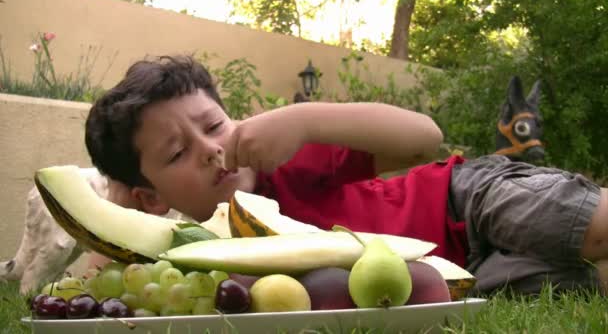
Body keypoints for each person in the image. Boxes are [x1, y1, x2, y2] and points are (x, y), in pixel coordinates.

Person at [84, 55, 608, 295]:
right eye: (177, 153)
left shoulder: (284, 161)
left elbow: (425, 136)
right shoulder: (202, 256)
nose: (210, 149)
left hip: (466, 201)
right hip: (463, 275)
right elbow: (104, 281)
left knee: (593, 227)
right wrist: (119, 208)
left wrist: (305, 120)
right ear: (150, 197)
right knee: (584, 283)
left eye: (215, 124)